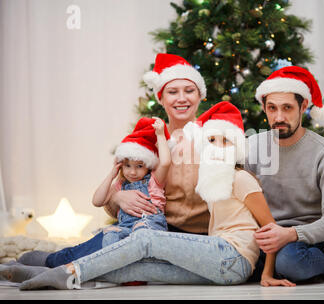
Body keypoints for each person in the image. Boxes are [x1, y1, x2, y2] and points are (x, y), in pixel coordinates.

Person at [3, 102, 295, 289]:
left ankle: (64, 271)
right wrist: (117, 199)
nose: (218, 147)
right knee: (133, 268)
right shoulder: (209, 179)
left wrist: (267, 274)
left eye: (225, 141)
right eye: (212, 141)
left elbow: (270, 229)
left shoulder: (242, 178)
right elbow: (139, 186)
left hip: (232, 256)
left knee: (145, 238)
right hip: (216, 262)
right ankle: (48, 273)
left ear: (236, 147)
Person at [17, 52, 210, 268]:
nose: (181, 98)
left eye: (189, 91)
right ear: (161, 99)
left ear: (200, 95)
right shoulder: (147, 143)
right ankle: (59, 261)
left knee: (123, 246)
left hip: (192, 235)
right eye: (173, 92)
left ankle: (56, 262)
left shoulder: (214, 138)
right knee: (112, 238)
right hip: (142, 227)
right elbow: (117, 188)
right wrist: (118, 198)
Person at [246, 65, 324, 283]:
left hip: (306, 236)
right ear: (264, 108)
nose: (279, 117)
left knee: (289, 262)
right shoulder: (252, 146)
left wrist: (290, 234)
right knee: (237, 260)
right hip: (265, 234)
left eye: (287, 108)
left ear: (303, 106)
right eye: (272, 108)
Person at [93, 117, 171, 247]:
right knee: (110, 235)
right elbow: (97, 201)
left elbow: (165, 162)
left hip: (150, 224)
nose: (132, 172)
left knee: (141, 232)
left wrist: (161, 135)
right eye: (127, 166)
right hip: (126, 227)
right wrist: (112, 175)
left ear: (148, 166)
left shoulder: (154, 180)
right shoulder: (120, 184)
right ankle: (116, 266)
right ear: (121, 165)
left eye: (139, 166)